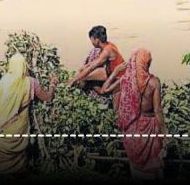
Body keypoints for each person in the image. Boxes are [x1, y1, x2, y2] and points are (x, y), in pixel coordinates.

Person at [0, 53, 58, 177]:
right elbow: (47, 98)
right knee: (16, 166)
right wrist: (52, 85)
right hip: (16, 133)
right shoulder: (30, 83)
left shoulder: (3, 81)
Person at [102, 48, 166, 180]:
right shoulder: (154, 82)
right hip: (150, 127)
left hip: (132, 128)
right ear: (146, 63)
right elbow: (157, 110)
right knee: (155, 166)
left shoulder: (125, 80)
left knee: (136, 169)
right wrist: (164, 133)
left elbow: (105, 90)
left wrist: (115, 72)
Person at [67, 25, 125, 91]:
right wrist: (86, 66)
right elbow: (94, 63)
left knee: (83, 77)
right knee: (82, 70)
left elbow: (91, 68)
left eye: (92, 40)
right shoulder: (108, 44)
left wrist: (73, 80)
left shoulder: (107, 50)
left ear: (97, 40)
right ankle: (81, 86)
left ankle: (77, 89)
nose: (91, 43)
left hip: (116, 75)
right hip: (109, 70)